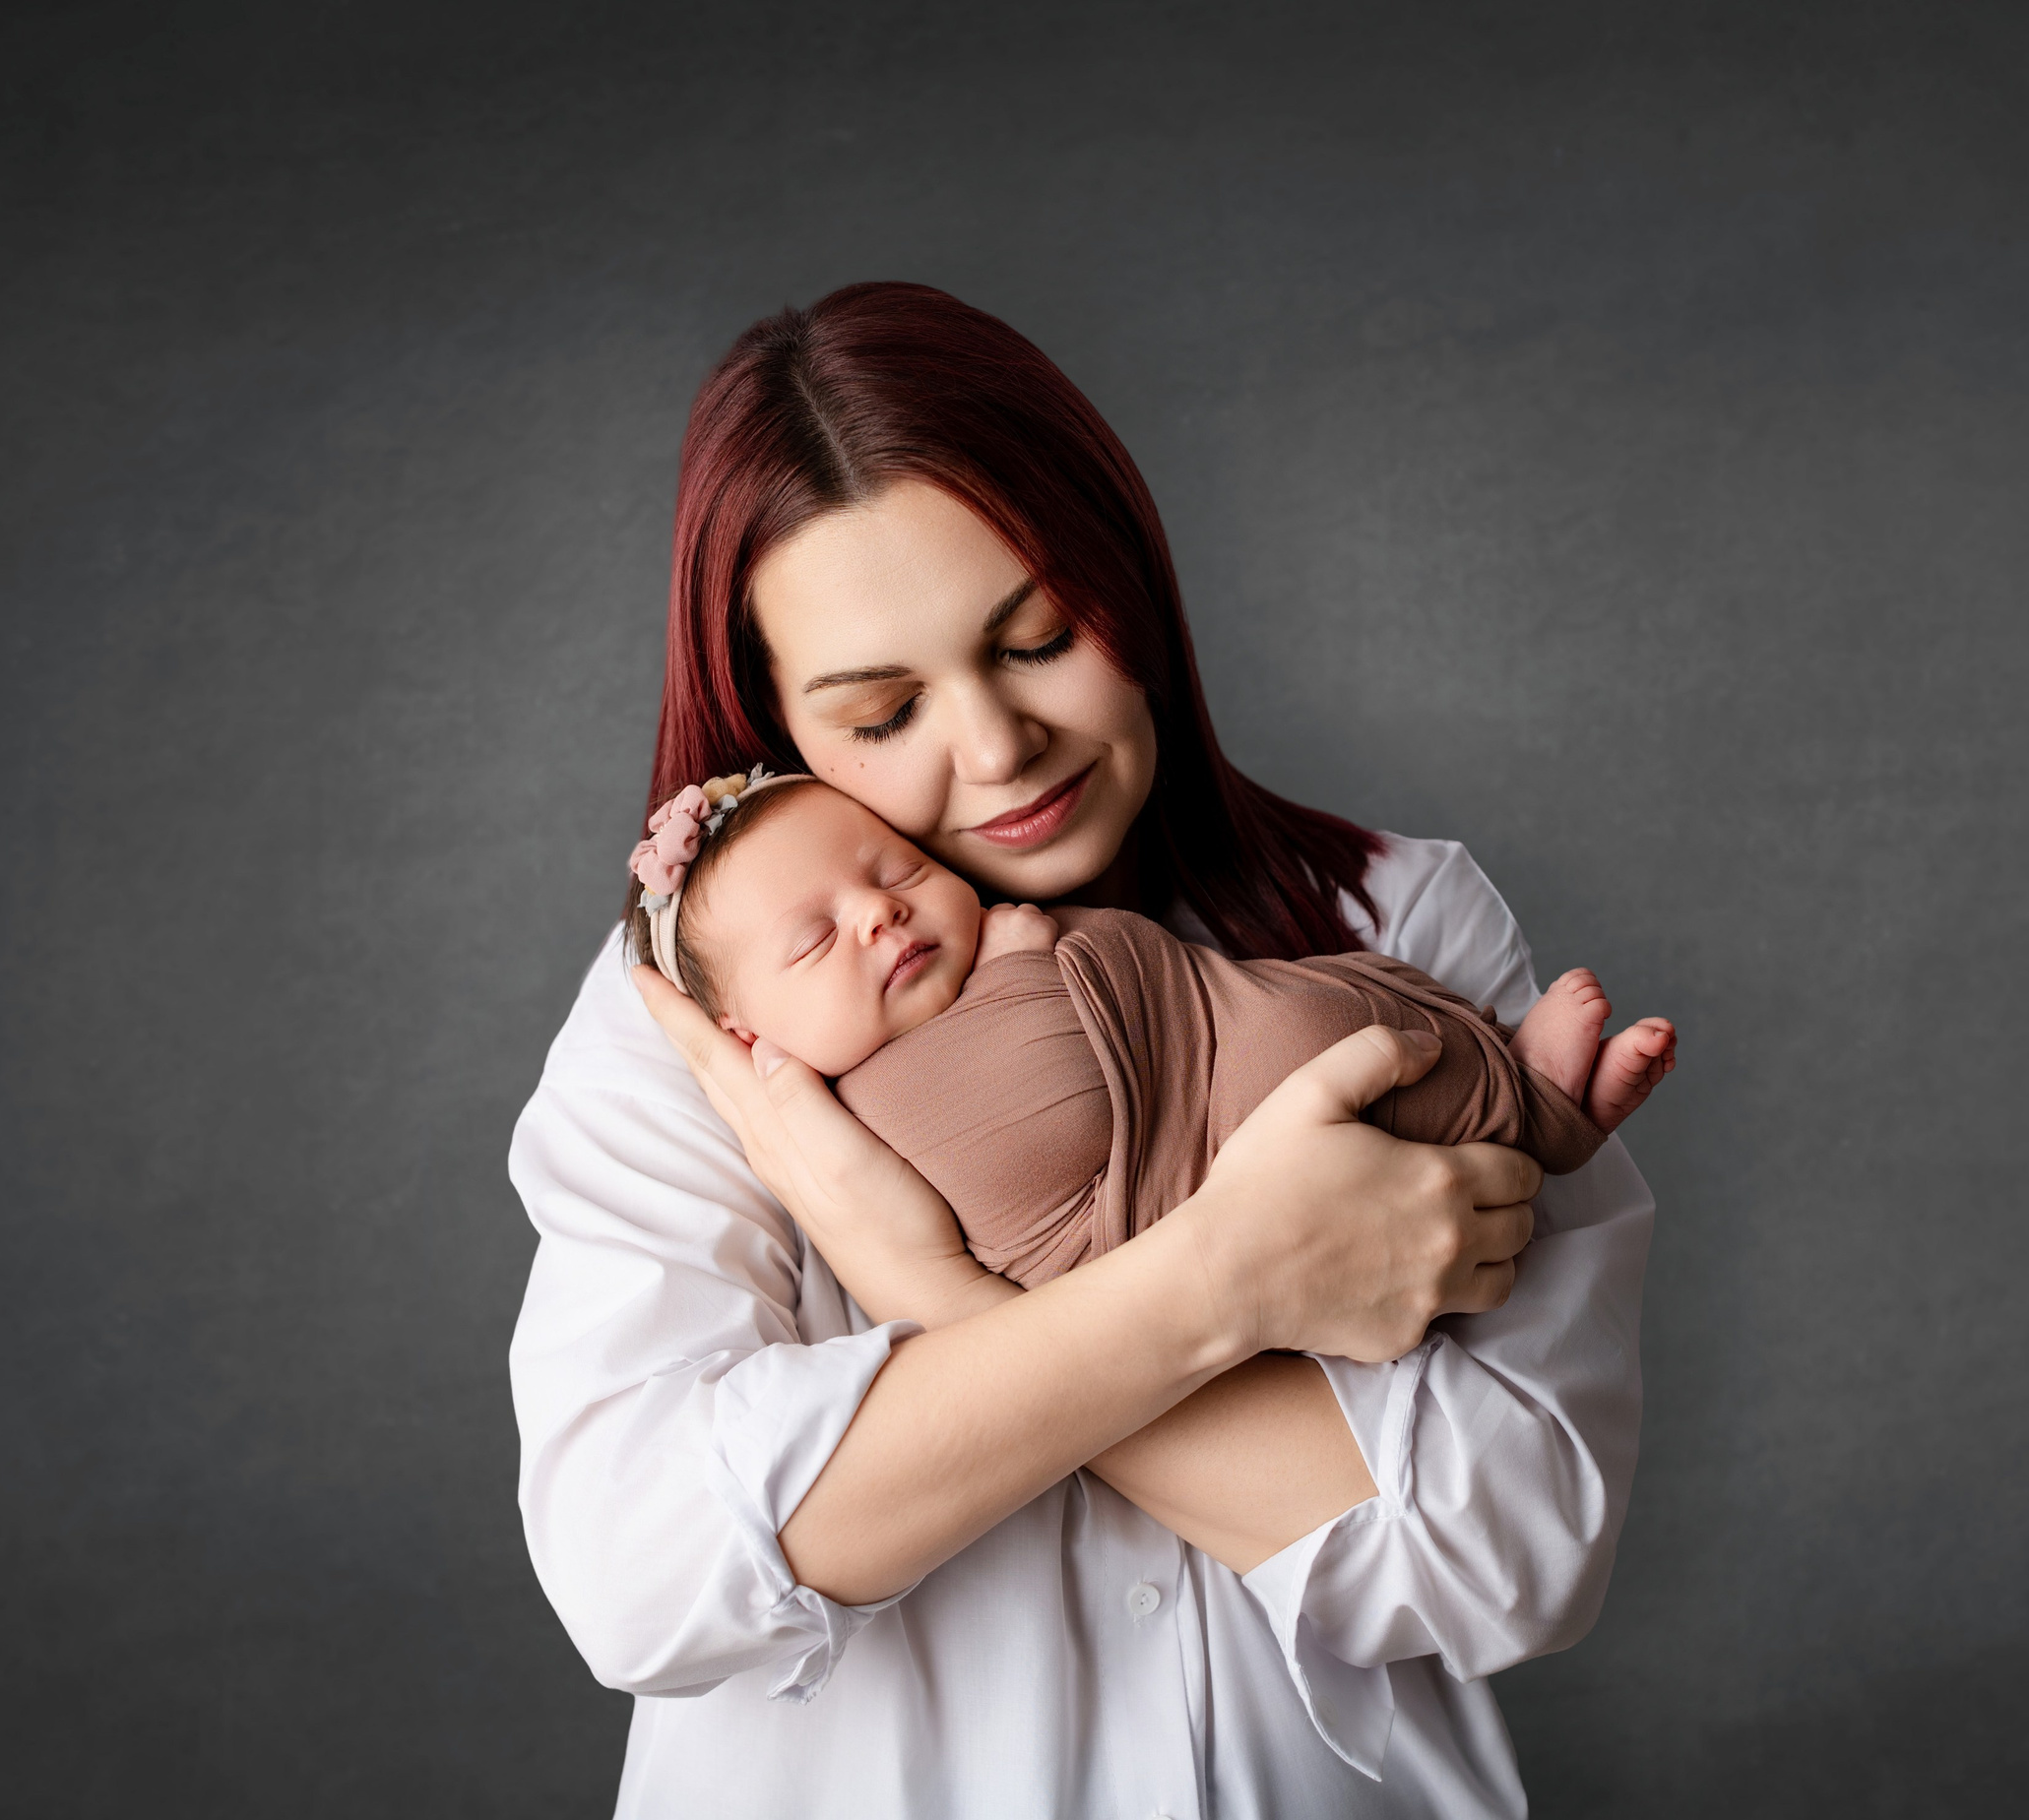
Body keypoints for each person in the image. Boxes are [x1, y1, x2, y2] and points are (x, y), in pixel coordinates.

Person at [508, 282, 1658, 1818]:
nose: (995, 751)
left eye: (1040, 636)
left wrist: (928, 1290)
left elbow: (1506, 1557)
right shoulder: (715, 1021)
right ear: (773, 724)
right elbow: (646, 1574)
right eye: (882, 710)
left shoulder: (1394, 918)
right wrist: (1228, 1280)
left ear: (1130, 573)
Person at [617, 768, 1676, 1287]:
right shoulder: (868, 1104)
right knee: (1348, 1066)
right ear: (749, 1036)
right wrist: (1033, 969)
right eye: (814, 942)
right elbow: (1046, 1130)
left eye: (895, 870)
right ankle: (1536, 1114)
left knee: (1354, 1011)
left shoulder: (1414, 885)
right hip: (1193, 1198)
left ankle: (1523, 1085)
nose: (880, 912)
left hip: (1245, 1043)